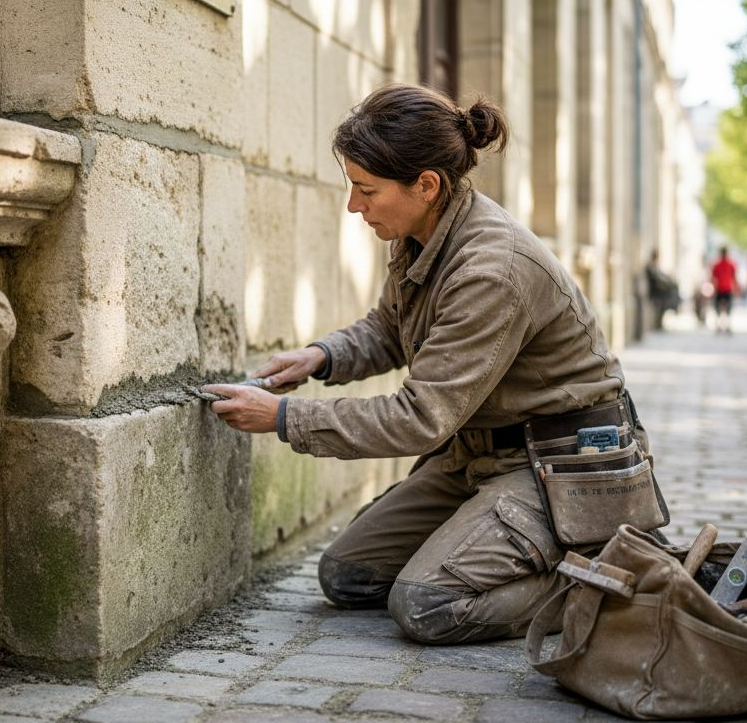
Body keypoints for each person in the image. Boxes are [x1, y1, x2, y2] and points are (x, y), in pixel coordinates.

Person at [203, 84, 649, 645]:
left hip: (556, 465)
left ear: (427, 185)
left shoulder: (492, 269)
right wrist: (321, 356)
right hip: (476, 456)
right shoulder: (422, 233)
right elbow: (390, 328)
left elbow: (420, 418)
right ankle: (501, 540)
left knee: (426, 604)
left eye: (366, 190)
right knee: (349, 575)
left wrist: (282, 417)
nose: (354, 206)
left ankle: (603, 575)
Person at [645, 250, 679, 331]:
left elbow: (662, 277)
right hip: (655, 292)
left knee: (671, 293)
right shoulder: (651, 267)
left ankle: (660, 322)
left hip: (659, 292)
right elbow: (658, 278)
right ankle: (658, 323)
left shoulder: (655, 267)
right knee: (663, 302)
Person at [709, 247, 739, 334]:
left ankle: (723, 326)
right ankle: (723, 326)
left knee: (720, 308)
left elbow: (713, 278)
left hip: (722, 289)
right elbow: (734, 278)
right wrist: (736, 288)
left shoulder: (718, 264)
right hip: (724, 289)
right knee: (725, 308)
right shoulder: (728, 264)